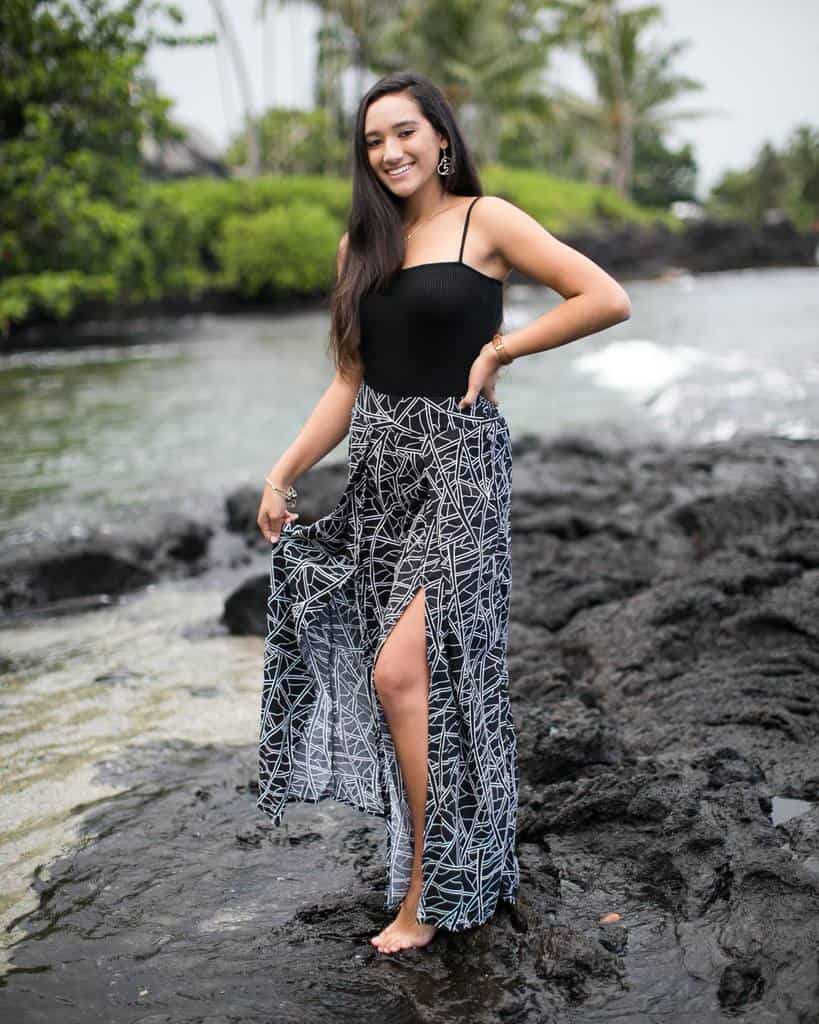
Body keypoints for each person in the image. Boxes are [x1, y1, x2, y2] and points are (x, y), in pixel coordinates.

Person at [256, 70, 631, 955]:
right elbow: (348, 382)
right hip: (381, 478)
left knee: (399, 675)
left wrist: (502, 347)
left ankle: (426, 893)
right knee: (430, 689)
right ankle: (466, 858)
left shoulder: (484, 220)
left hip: (460, 467)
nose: (389, 152)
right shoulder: (359, 247)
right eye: (372, 141)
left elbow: (603, 297)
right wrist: (282, 472)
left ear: (441, 137)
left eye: (403, 133)